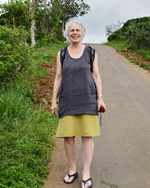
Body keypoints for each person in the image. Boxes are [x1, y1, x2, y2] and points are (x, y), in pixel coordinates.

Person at [51, 19, 106, 188]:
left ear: (82, 33)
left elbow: (96, 76)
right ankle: (72, 169)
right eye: (71, 30)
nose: (75, 32)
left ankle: (86, 172)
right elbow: (58, 78)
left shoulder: (91, 52)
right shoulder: (62, 54)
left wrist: (100, 98)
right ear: (68, 34)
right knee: (68, 137)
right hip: (68, 99)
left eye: (78, 30)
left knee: (87, 136)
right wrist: (54, 100)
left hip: (87, 98)